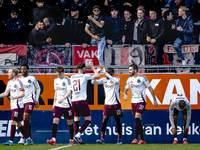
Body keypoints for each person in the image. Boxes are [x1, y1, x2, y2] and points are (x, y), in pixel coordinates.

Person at [123, 63, 158, 144]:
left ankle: (135, 138)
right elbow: (125, 89)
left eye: (131, 70)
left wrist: (154, 100)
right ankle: (142, 139)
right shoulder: (129, 79)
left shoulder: (142, 78)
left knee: (137, 117)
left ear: (135, 70)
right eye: (129, 70)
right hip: (133, 101)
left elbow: (150, 88)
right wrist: (125, 94)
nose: (129, 71)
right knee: (138, 121)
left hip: (141, 101)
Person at [0, 68, 33, 146]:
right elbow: (5, 93)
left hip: (18, 106)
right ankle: (28, 139)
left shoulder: (19, 82)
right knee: (18, 124)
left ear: (14, 73)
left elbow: (23, 94)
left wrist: (14, 97)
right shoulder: (9, 82)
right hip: (13, 106)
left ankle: (10, 141)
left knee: (13, 122)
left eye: (9, 72)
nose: (8, 73)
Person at [92, 66, 123, 144]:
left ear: (113, 73)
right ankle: (102, 139)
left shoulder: (116, 79)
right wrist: (96, 73)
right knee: (104, 120)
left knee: (117, 121)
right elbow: (93, 82)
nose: (108, 73)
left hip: (116, 104)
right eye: (107, 72)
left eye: (110, 72)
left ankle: (119, 139)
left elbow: (116, 82)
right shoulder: (104, 80)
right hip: (107, 104)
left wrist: (106, 73)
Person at [71, 62, 100, 144]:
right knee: (88, 120)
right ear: (83, 69)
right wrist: (93, 68)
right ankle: (78, 135)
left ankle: (78, 138)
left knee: (76, 120)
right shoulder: (85, 76)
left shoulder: (72, 77)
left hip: (73, 100)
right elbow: (97, 76)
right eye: (85, 68)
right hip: (82, 100)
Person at [47, 66, 74, 146]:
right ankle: (53, 139)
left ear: (63, 72)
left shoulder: (68, 80)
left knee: (69, 122)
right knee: (55, 121)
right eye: (57, 74)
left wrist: (62, 99)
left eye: (59, 74)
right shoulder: (56, 80)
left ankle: (71, 140)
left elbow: (69, 92)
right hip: (58, 105)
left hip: (66, 104)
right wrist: (54, 102)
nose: (58, 76)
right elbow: (56, 91)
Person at [17, 64, 41, 145]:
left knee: (26, 116)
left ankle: (23, 138)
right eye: (21, 69)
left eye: (24, 69)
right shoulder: (18, 79)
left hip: (30, 100)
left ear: (27, 70)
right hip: (21, 101)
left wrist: (37, 99)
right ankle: (29, 138)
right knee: (27, 120)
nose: (23, 70)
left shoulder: (32, 78)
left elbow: (38, 88)